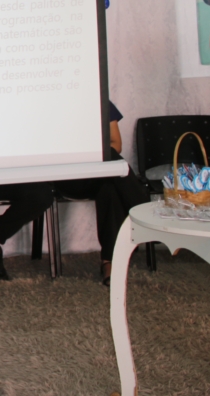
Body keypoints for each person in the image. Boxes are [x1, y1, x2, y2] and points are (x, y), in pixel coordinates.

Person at [57, 101, 149, 285]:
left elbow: (116, 144)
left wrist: (93, 155)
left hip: (98, 173)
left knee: (109, 185)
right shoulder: (52, 102)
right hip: (66, 175)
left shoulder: (101, 101)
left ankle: (109, 262)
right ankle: (145, 214)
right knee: (111, 165)